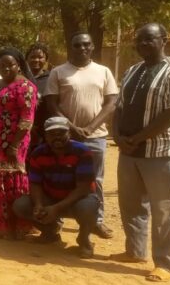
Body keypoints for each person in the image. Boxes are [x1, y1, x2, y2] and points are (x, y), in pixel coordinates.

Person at [111, 23, 170, 282]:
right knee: (131, 204)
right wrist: (118, 136)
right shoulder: (133, 70)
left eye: (149, 39)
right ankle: (135, 251)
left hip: (159, 150)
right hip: (128, 150)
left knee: (164, 208)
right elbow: (120, 107)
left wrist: (138, 137)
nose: (143, 44)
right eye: (139, 40)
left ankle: (166, 263)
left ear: (164, 40)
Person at [46, 32, 118, 238]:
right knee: (61, 178)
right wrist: (72, 128)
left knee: (96, 180)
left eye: (86, 44)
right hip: (65, 137)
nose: (82, 48)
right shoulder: (59, 72)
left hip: (96, 136)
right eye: (77, 45)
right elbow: (52, 104)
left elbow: (111, 103)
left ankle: (97, 220)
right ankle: (56, 218)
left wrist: (90, 128)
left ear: (92, 46)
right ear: (71, 47)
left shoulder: (103, 72)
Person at [12, 117, 99, 257]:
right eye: (52, 133)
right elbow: (35, 183)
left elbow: (83, 188)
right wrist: (39, 205)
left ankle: (84, 240)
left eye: (61, 132)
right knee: (21, 205)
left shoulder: (82, 152)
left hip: (77, 200)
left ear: (69, 133)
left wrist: (56, 208)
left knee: (88, 208)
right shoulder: (38, 154)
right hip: (50, 199)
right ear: (45, 136)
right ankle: (50, 232)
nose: (57, 137)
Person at [0, 48, 37, 239]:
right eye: (2, 65)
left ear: (19, 65)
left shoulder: (26, 87)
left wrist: (14, 146)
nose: (6, 68)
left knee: (14, 182)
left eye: (10, 65)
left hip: (15, 142)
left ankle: (18, 225)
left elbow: (26, 120)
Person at [26, 43, 52, 150]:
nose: (36, 60)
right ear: (26, 59)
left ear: (46, 60)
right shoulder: (20, 78)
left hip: (44, 130)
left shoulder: (51, 78)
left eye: (40, 57)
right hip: (22, 129)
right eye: (32, 57)